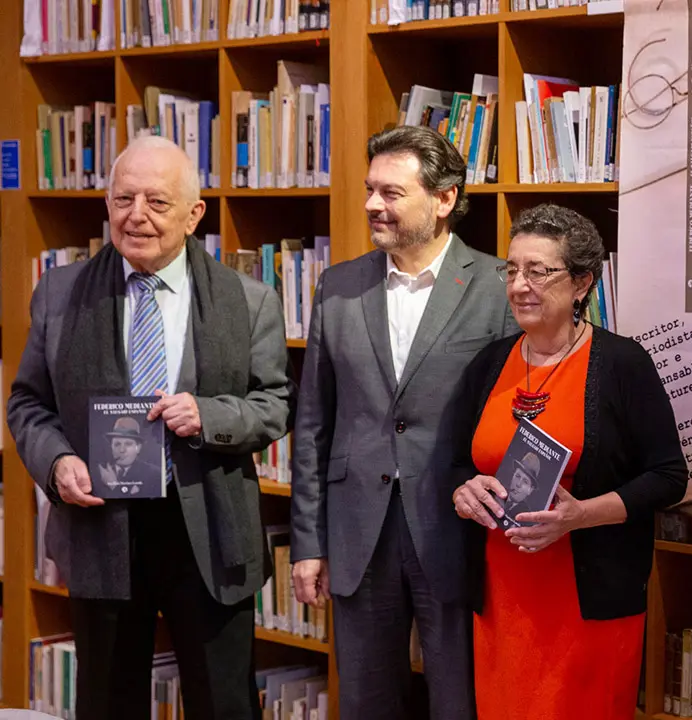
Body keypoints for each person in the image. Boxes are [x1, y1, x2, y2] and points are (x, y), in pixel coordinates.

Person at [6, 135, 292, 719]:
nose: (136, 215)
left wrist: (208, 415)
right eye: (122, 198)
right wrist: (57, 462)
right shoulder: (59, 295)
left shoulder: (250, 299)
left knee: (224, 703)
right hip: (102, 527)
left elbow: (274, 404)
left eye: (157, 202)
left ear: (194, 215)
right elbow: (28, 404)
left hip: (209, 532)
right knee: (108, 701)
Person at [289, 124, 514, 720]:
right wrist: (307, 544)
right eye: (369, 190)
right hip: (357, 533)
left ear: (443, 200)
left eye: (391, 193)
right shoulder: (338, 286)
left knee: (460, 703)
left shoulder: (498, 288)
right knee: (365, 703)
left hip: (459, 534)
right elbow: (313, 423)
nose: (371, 205)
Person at [450, 203, 688, 720]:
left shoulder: (623, 363)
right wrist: (463, 490)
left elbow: (669, 478)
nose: (519, 285)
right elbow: (452, 462)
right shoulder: (489, 363)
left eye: (538, 271)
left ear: (582, 283)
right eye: (511, 270)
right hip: (502, 599)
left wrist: (580, 515)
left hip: (588, 601)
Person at [98, 416, 161, 491]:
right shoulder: (99, 472)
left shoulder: (155, 475)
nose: (122, 450)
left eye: (128, 444)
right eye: (117, 444)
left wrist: (114, 485)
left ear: (138, 448)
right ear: (111, 446)